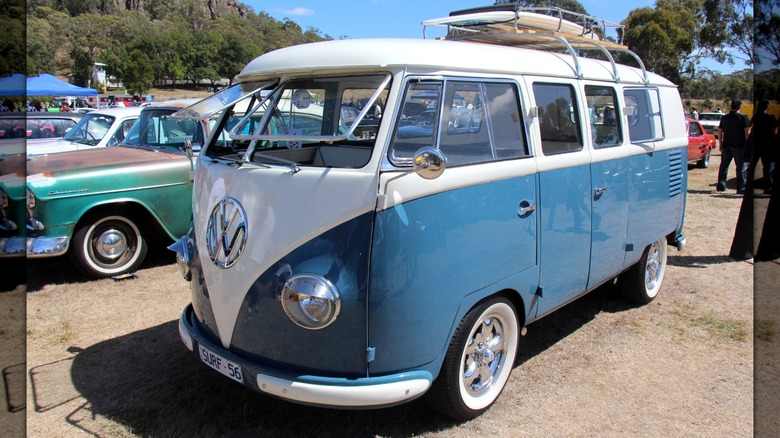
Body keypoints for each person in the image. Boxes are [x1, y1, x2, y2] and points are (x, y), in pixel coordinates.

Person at [717, 99, 751, 194]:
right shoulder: (743, 117)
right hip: (739, 146)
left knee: (724, 166)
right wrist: (748, 145)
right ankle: (741, 187)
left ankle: (721, 184)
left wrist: (720, 143)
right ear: (740, 107)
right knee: (740, 167)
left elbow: (720, 131)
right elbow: (747, 133)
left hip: (726, 145)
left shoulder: (724, 118)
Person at [750, 99, 778, 194]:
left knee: (752, 166)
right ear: (767, 107)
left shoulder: (756, 116)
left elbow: (752, 128)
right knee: (767, 167)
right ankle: (768, 187)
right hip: (767, 144)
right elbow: (774, 131)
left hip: (756, 144)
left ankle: (749, 186)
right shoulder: (771, 117)